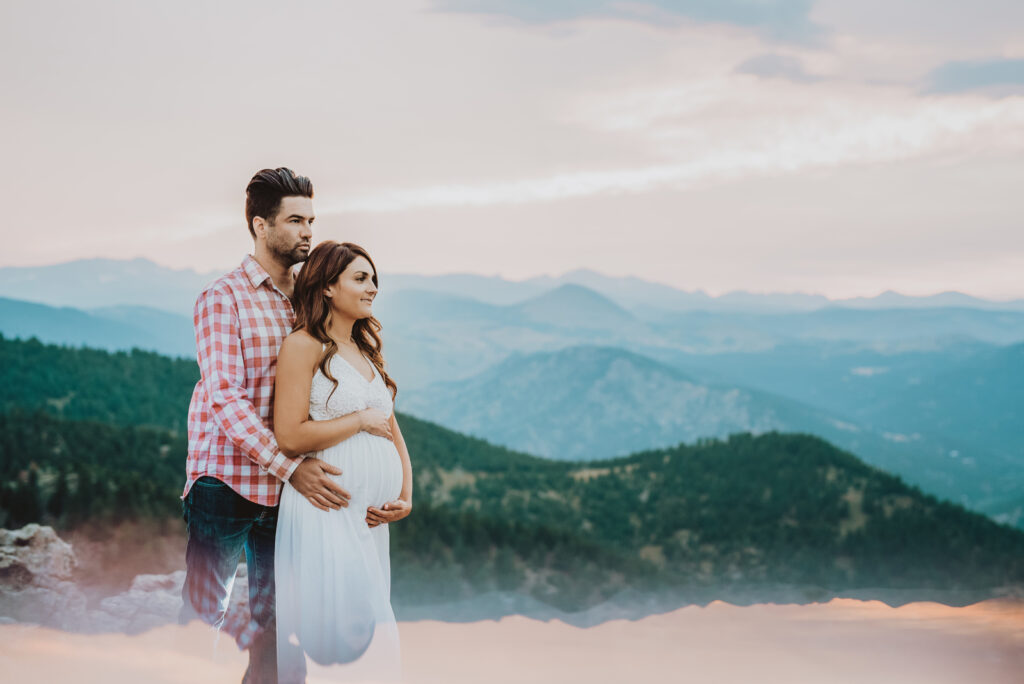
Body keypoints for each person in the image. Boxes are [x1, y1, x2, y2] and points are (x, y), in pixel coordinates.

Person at [180, 167, 355, 684]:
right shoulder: (223, 298)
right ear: (260, 225)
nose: (308, 231)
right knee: (203, 616)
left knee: (279, 626)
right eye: (295, 220)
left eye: (311, 220)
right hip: (225, 481)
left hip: (289, 494)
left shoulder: (312, 300)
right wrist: (291, 467)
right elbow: (225, 399)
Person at [272, 240, 413, 682]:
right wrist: (358, 419)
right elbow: (290, 435)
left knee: (368, 629)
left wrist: (406, 496)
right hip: (327, 509)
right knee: (335, 637)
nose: (372, 288)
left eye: (374, 280)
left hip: (369, 520)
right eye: (360, 278)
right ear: (328, 287)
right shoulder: (303, 345)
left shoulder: (366, 350)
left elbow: (392, 430)